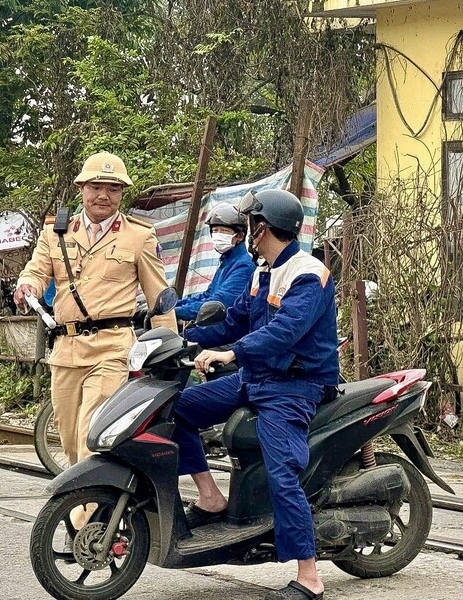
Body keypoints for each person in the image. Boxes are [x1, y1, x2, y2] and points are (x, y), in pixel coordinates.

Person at [172, 189, 338, 600]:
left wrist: (231, 352)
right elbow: (236, 321)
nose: (244, 230)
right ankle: (211, 498)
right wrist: (183, 338)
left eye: (248, 223)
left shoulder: (307, 273)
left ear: (261, 227)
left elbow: (286, 331)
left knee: (282, 471)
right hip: (256, 378)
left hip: (294, 387)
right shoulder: (262, 271)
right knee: (177, 409)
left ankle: (310, 576)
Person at [14, 151, 176, 468]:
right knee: (70, 443)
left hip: (111, 348)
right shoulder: (55, 233)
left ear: (121, 193)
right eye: (95, 187)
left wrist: (167, 348)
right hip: (65, 349)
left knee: (92, 438)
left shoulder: (139, 237)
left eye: (113, 188)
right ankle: (90, 508)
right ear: (82, 189)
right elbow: (35, 271)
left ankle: (88, 518)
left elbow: (160, 298)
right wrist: (27, 285)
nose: (103, 195)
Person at [175, 203, 255, 322]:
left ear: (239, 236)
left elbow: (218, 302)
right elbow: (207, 295)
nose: (218, 235)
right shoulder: (227, 261)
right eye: (215, 230)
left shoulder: (244, 265)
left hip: (225, 332)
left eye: (223, 230)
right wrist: (174, 306)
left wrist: (176, 312)